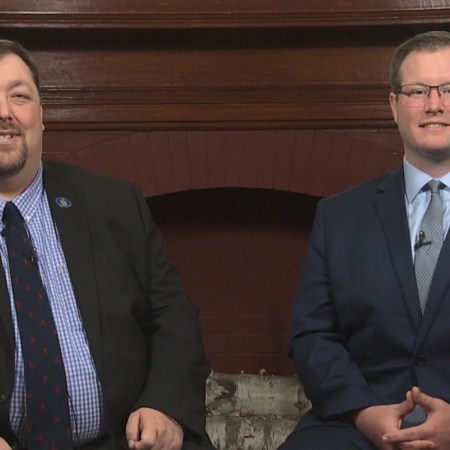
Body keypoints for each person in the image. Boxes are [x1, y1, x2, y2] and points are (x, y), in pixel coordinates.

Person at [0, 39, 214, 450]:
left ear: (41, 116)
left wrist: (165, 406)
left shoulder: (113, 204)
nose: (5, 112)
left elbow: (173, 314)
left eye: (20, 96)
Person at [279, 30, 450, 450]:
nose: (435, 105)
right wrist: (365, 414)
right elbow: (312, 334)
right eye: (418, 91)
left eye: (449, 90)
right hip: (359, 423)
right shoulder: (339, 216)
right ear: (394, 106)